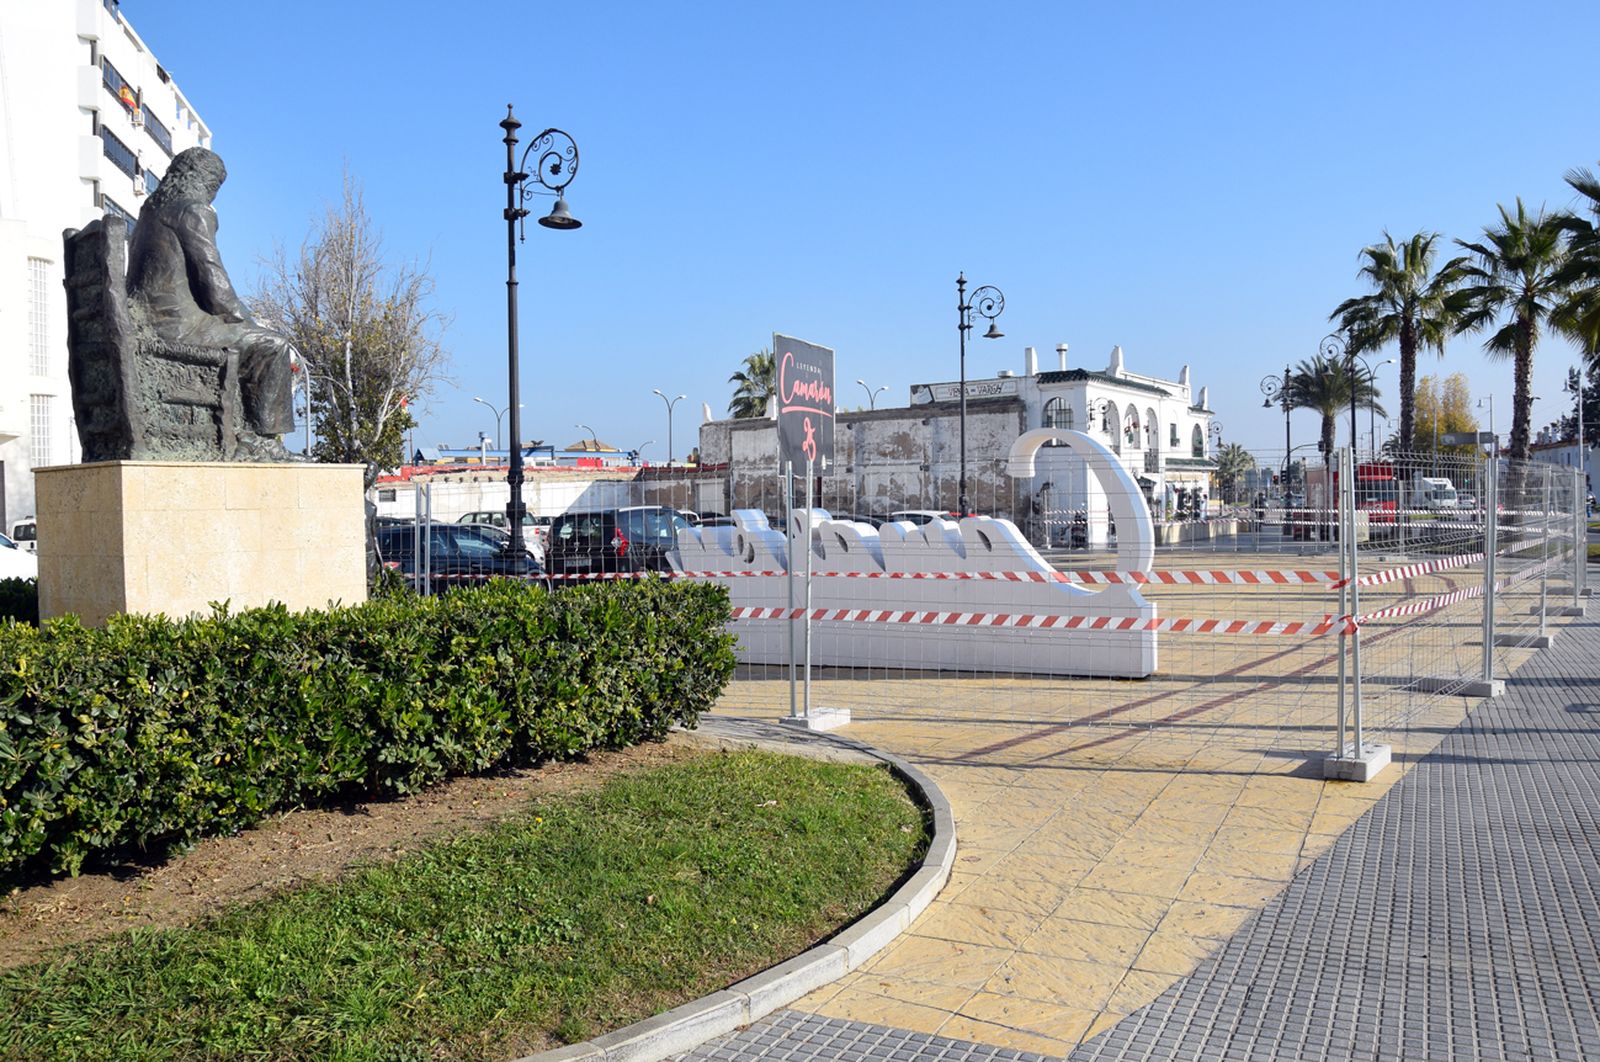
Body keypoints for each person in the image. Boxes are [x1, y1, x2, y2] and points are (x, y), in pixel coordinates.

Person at [126, 147, 298, 460]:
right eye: (214, 188)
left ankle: (246, 433)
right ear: (206, 182)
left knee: (258, 341)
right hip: (180, 329)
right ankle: (263, 441)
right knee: (273, 346)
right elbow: (215, 285)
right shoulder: (192, 210)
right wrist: (251, 324)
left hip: (148, 325)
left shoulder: (149, 212)